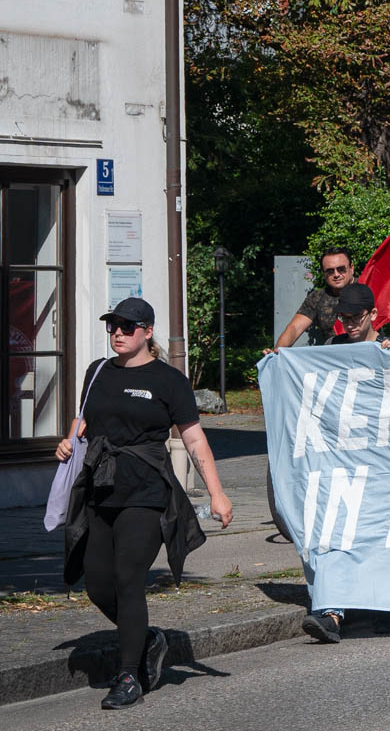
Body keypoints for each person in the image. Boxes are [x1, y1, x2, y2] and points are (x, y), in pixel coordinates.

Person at [57, 298, 231, 710]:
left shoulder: (168, 381)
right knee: (97, 583)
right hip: (101, 489)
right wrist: (69, 440)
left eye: (126, 326)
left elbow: (193, 438)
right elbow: (84, 419)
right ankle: (150, 638)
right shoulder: (97, 371)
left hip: (146, 491)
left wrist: (217, 492)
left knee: (128, 578)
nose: (117, 333)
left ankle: (129, 674)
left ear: (147, 332)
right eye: (112, 326)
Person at [301, 285, 390, 644]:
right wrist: (281, 362)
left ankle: (386, 604)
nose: (350, 324)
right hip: (341, 463)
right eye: (343, 318)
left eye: (356, 317)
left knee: (380, 534)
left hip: (383, 465)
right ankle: (331, 613)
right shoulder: (332, 350)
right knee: (333, 533)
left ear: (373, 315)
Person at [270, 247, 355, 350]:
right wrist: (277, 353)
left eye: (341, 269)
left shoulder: (369, 289)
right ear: (323, 273)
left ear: (352, 268)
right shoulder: (317, 298)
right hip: (334, 359)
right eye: (330, 271)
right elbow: (295, 328)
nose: (336, 274)